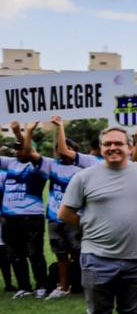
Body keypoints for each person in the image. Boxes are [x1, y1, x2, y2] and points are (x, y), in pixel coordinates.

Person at [59, 127, 137, 314]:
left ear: (128, 146)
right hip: (97, 257)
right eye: (107, 143)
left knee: (132, 312)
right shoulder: (85, 177)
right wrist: (89, 226)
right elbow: (65, 213)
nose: (113, 148)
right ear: (100, 148)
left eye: (118, 143)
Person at [24, 116, 96, 298]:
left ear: (74, 151)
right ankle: (63, 287)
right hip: (54, 218)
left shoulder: (84, 169)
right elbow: (28, 154)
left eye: (70, 149)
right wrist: (29, 132)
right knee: (60, 254)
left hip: (75, 218)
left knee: (79, 252)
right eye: (62, 149)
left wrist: (59, 128)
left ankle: (85, 285)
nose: (65, 152)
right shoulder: (51, 165)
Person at [3, 120, 49, 297]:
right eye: (15, 148)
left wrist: (19, 133)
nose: (16, 151)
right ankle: (24, 287)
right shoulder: (10, 163)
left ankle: (42, 286)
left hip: (31, 217)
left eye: (20, 148)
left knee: (35, 254)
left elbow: (29, 151)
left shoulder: (39, 165)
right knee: (15, 254)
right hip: (10, 217)